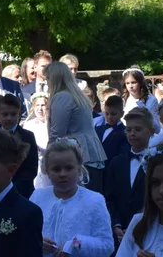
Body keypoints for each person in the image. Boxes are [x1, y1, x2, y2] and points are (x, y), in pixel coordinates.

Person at [104, 107, 155, 257]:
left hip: (149, 230)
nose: (132, 134)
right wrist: (116, 224)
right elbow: (110, 197)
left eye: (138, 129)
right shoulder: (118, 162)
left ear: (151, 131)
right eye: (129, 130)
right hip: (122, 232)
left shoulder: (158, 161)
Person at [45, 62, 107, 192]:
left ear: (55, 79)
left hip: (76, 155)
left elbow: (57, 133)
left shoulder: (62, 97)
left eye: (48, 79)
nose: (47, 83)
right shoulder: (78, 96)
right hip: (91, 152)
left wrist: (47, 159)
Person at [22, 93, 50, 190]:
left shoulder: (52, 124)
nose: (40, 108)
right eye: (37, 105)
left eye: (43, 105)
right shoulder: (29, 125)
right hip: (36, 163)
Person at [95, 94, 128, 163]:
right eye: (107, 114)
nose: (109, 117)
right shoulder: (98, 129)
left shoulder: (125, 133)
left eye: (113, 114)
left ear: (122, 113)